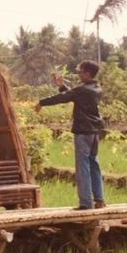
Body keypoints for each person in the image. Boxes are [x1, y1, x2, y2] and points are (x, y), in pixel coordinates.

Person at [35, 61, 106, 210]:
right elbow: (73, 95)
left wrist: (42, 102)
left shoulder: (82, 90)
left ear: (87, 73)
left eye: (81, 72)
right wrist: (61, 86)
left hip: (83, 131)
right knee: (94, 164)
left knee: (83, 167)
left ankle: (86, 203)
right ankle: (99, 200)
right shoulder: (96, 88)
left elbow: (64, 97)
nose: (79, 74)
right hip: (94, 131)